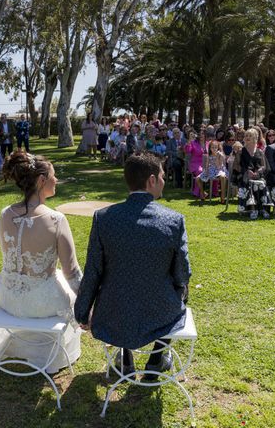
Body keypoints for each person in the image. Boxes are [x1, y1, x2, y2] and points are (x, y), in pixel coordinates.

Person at [74, 152, 190, 379]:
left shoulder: (104, 217)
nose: (164, 182)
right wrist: (179, 288)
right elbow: (182, 273)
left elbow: (93, 270)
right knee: (178, 290)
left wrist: (82, 311)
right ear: (152, 180)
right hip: (160, 309)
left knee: (125, 295)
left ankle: (125, 359)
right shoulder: (174, 220)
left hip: (115, 307)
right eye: (163, 177)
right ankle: (157, 358)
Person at [0, 151, 83, 370]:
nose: (56, 180)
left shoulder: (5, 214)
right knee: (65, 283)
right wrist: (87, 302)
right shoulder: (56, 219)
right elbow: (72, 272)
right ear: (42, 180)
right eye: (53, 176)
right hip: (43, 304)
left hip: (6, 297)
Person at [233, 128, 272, 219]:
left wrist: (258, 172)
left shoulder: (260, 152)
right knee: (249, 183)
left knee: (262, 183)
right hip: (244, 175)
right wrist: (246, 171)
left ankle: (263, 209)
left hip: (258, 175)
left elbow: (264, 166)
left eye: (250, 136)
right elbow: (236, 166)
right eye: (246, 135)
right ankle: (252, 209)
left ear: (255, 138)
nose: (247, 137)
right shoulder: (240, 151)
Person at [185, 129, 206, 197]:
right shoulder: (193, 143)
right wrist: (189, 141)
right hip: (195, 164)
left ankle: (214, 192)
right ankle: (197, 192)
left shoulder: (208, 143)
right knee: (200, 171)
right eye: (200, 134)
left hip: (206, 163)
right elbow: (188, 151)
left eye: (203, 134)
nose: (201, 135)